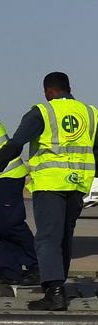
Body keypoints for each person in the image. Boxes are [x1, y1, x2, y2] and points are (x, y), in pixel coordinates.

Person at [0, 72, 98, 310]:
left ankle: (55, 294)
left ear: (48, 91)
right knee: (64, 238)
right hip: (77, 185)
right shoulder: (89, 112)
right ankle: (56, 287)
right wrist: (89, 173)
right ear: (69, 88)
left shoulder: (42, 112)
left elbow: (16, 144)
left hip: (50, 185)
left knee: (48, 238)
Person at [0, 118, 38, 286]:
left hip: (8, 176)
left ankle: (36, 265)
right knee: (2, 227)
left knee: (12, 224)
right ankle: (9, 271)